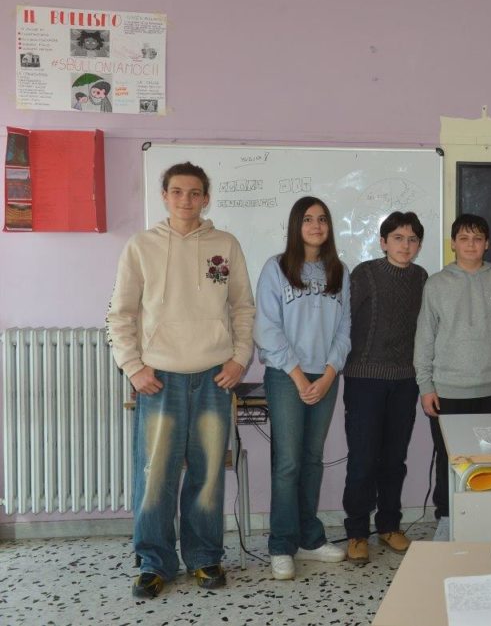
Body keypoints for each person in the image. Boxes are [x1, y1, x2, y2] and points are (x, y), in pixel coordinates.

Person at [107, 162, 255, 598]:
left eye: (194, 193)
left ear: (206, 198)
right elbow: (120, 314)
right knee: (155, 474)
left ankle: (205, 557)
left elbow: (242, 307)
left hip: (214, 379)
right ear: (165, 196)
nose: (185, 200)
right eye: (177, 191)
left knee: (208, 475)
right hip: (160, 379)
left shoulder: (225, 245)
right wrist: (133, 366)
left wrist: (240, 359)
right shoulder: (141, 246)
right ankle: (154, 563)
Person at [254, 196, 351, 581]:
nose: (316, 226)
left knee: (312, 459)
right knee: (288, 462)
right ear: (296, 225)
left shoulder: (339, 271)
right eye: (308, 219)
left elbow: (345, 330)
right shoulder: (276, 268)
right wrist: (298, 376)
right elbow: (267, 328)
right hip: (285, 376)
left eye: (322, 219)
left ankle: (310, 539)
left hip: (325, 375)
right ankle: (281, 545)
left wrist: (328, 374)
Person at [414, 214, 491, 519]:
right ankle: (447, 519)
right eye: (463, 238)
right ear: (453, 244)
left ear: (487, 244)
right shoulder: (436, 284)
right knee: (450, 460)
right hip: (447, 391)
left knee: (489, 461)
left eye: (477, 238)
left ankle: (486, 520)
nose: (471, 244)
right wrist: (426, 386)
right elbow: (424, 338)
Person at [342, 211, 428, 564]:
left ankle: (389, 525)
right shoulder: (365, 274)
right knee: (363, 459)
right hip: (364, 379)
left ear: (419, 245)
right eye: (397, 238)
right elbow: (344, 319)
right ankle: (357, 532)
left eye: (412, 240)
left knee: (394, 459)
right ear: (383, 242)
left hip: (405, 380)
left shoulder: (422, 278)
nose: (405, 245)